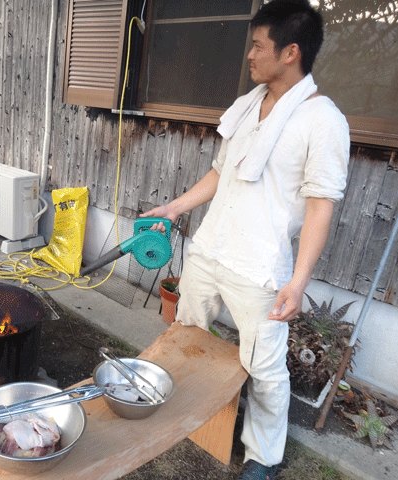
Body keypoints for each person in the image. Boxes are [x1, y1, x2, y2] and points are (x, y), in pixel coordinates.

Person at [141, 1, 349, 479]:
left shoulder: (323, 121)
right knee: (186, 338)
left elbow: (321, 205)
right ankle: (193, 415)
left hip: (261, 267)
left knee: (265, 369)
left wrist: (298, 282)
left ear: (291, 52)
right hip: (210, 249)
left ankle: (263, 458)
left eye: (258, 46)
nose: (249, 56)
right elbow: (220, 173)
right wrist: (175, 208)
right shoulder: (248, 105)